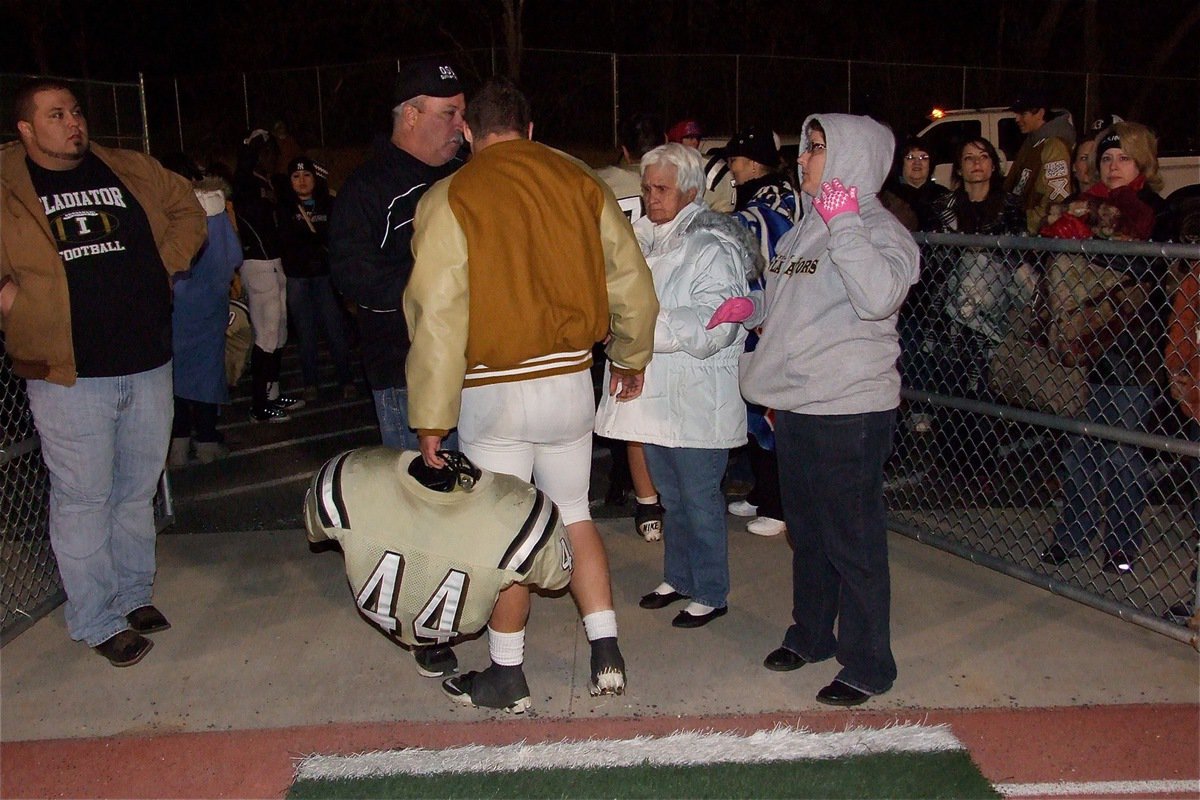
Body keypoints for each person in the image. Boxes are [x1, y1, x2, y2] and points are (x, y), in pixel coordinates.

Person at [404, 77, 658, 709]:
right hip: (572, 377)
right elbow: (631, 280)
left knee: (509, 534)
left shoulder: (451, 196)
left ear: (468, 132)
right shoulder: (580, 182)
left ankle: (507, 671)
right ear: (531, 128)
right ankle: (606, 649)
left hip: (496, 390)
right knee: (573, 512)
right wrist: (630, 355)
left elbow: (436, 315)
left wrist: (430, 415)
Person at [709, 113, 919, 706]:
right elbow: (785, 297)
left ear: (853, 158)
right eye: (805, 147)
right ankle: (811, 634)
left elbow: (879, 297)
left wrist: (845, 219)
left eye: (819, 149)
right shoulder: (806, 231)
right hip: (798, 405)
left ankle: (870, 662)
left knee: (852, 540)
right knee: (808, 534)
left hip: (850, 411)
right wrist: (747, 309)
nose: (803, 159)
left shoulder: (879, 229)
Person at [0, 77, 207, 667]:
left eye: (75, 112)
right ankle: (95, 617)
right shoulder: (8, 185)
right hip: (70, 373)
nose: (73, 122)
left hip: (145, 360)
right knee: (83, 497)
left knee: (135, 490)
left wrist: (162, 265)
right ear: (25, 128)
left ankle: (133, 593)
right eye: (56, 114)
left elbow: (187, 209)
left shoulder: (127, 167)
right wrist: (8, 295)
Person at [327, 57, 466, 680]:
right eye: (449, 114)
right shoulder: (370, 186)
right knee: (423, 499)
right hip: (405, 372)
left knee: (471, 494)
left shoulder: (469, 172)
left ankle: (468, 599)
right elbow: (353, 277)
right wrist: (434, 284)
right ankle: (425, 621)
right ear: (411, 114)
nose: (462, 127)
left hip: (478, 368)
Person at [595, 143, 750, 626]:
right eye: (646, 187)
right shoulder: (640, 239)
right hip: (655, 395)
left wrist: (640, 331)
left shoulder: (712, 247)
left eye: (661, 188)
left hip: (696, 397)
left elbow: (716, 323)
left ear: (689, 190)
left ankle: (710, 589)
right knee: (671, 495)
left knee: (700, 497)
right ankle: (679, 576)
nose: (650, 197)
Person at [304, 448, 573, 714]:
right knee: (514, 555)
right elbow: (558, 578)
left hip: (382, 606)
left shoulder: (350, 476)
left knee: (358, 525)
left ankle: (430, 647)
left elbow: (317, 531)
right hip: (460, 615)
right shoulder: (518, 505)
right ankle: (506, 671)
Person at [1039, 122, 1172, 574]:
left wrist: (1087, 238)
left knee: (1121, 451)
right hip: (1090, 348)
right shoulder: (1090, 202)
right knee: (1082, 447)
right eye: (1107, 159)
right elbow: (1048, 226)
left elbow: (1144, 277)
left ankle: (1120, 544)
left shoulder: (1155, 209)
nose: (1114, 167)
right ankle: (1072, 536)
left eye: (1124, 159)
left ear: (1142, 162)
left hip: (1135, 349)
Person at [719, 126, 799, 537]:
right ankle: (762, 491)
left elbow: (763, 241)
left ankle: (780, 503)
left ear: (751, 163)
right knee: (753, 403)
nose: (731, 171)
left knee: (770, 410)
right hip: (757, 319)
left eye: (734, 161)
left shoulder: (775, 198)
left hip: (775, 319)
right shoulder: (756, 195)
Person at [595, 113, 668, 540]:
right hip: (646, 299)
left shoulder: (600, 181)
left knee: (630, 407)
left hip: (627, 302)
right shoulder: (671, 179)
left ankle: (641, 494)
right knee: (635, 408)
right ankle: (644, 495)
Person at [162, 154, 243, 466]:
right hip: (209, 305)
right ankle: (207, 439)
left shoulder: (164, 212)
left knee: (176, 375)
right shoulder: (215, 208)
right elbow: (233, 256)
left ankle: (178, 445)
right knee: (208, 373)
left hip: (175, 304)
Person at [233, 128, 304, 422]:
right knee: (266, 334)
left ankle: (273, 395)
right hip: (257, 264)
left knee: (279, 332)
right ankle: (259, 405)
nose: (273, 157)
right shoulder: (246, 182)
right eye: (267, 152)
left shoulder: (268, 182)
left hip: (274, 263)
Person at [277, 156, 356, 402]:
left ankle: (346, 379)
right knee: (305, 333)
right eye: (296, 177)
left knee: (335, 330)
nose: (301, 181)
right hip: (298, 278)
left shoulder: (329, 203)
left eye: (307, 175)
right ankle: (310, 382)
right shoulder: (284, 207)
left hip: (325, 277)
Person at [1003, 90, 1075, 234]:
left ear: (1040, 113)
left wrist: (1028, 222)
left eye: (1023, 114)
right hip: (1021, 231)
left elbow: (1057, 198)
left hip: (1035, 236)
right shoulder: (1031, 142)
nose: (1017, 119)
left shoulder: (1054, 146)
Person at [884, 136, 948, 232]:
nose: (917, 162)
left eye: (923, 158)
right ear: (902, 163)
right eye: (910, 157)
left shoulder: (944, 196)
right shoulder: (889, 196)